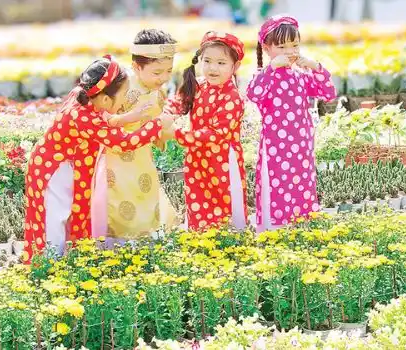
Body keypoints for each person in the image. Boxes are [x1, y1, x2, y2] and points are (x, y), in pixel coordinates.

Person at [24, 56, 175, 260]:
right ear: (105, 99)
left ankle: (64, 263)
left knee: (67, 216)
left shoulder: (84, 96)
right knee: (53, 221)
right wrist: (157, 125)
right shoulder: (83, 117)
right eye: (122, 97)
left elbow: (104, 121)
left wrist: (129, 117)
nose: (123, 102)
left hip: (66, 166)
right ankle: (47, 266)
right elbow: (123, 143)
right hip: (53, 170)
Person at [247, 15, 336, 232]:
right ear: (267, 48)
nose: (290, 51)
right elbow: (252, 94)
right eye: (281, 46)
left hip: (302, 144)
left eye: (294, 45)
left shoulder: (301, 76)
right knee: (277, 184)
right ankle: (275, 226)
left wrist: (315, 67)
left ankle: (302, 221)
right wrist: (270, 69)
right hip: (276, 146)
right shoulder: (265, 76)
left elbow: (328, 93)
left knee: (302, 182)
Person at [91, 29, 180, 245]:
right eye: (157, 72)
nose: (164, 78)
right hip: (117, 158)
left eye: (168, 71)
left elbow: (156, 122)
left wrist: (165, 135)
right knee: (122, 199)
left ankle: (142, 245)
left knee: (145, 196)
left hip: (142, 156)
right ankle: (119, 245)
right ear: (136, 67)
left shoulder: (158, 91)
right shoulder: (124, 88)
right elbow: (103, 115)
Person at [164, 31, 248, 230]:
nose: (212, 68)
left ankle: (229, 245)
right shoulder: (199, 85)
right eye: (207, 60)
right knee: (198, 202)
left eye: (221, 63)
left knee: (224, 202)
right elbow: (178, 102)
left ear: (235, 66)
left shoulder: (232, 97)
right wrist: (165, 115)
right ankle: (200, 242)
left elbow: (216, 134)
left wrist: (177, 134)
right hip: (197, 158)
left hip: (222, 162)